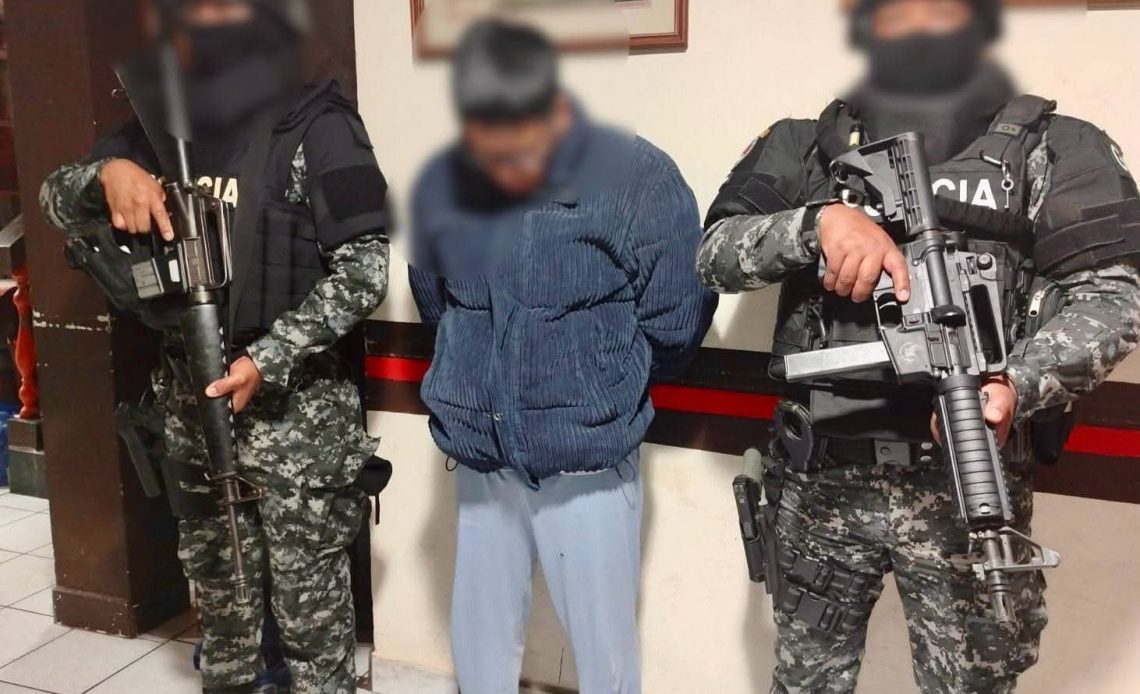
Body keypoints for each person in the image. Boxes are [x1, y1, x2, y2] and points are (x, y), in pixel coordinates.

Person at [697, 1, 1140, 692]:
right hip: (819, 484)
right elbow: (714, 255)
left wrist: (1018, 383)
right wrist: (817, 225)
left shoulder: (1054, 147)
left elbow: (1113, 298)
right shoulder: (805, 144)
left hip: (964, 481)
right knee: (805, 682)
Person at [40, 1, 390, 692]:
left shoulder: (316, 123)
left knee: (312, 625)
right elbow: (56, 199)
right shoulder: (160, 125)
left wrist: (268, 359)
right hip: (192, 405)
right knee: (221, 609)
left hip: (296, 421)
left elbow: (366, 270)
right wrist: (106, 175)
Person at [409, 19, 717, 694]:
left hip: (587, 462)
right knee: (480, 645)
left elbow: (676, 320)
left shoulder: (638, 178)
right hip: (482, 456)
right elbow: (435, 297)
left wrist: (596, 390)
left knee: (604, 655)